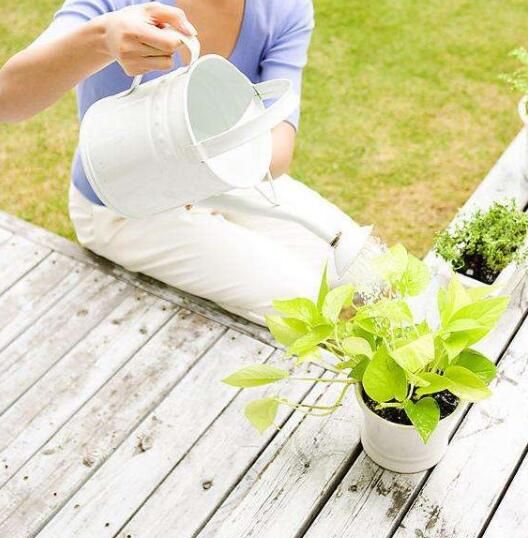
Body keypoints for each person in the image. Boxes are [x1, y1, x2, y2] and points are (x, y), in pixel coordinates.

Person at [0, 0, 357, 324]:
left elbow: (278, 150)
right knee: (305, 304)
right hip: (121, 207)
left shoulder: (284, 9)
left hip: (230, 179)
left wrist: (203, 181)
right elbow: (9, 99)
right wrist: (102, 38)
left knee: (360, 265)